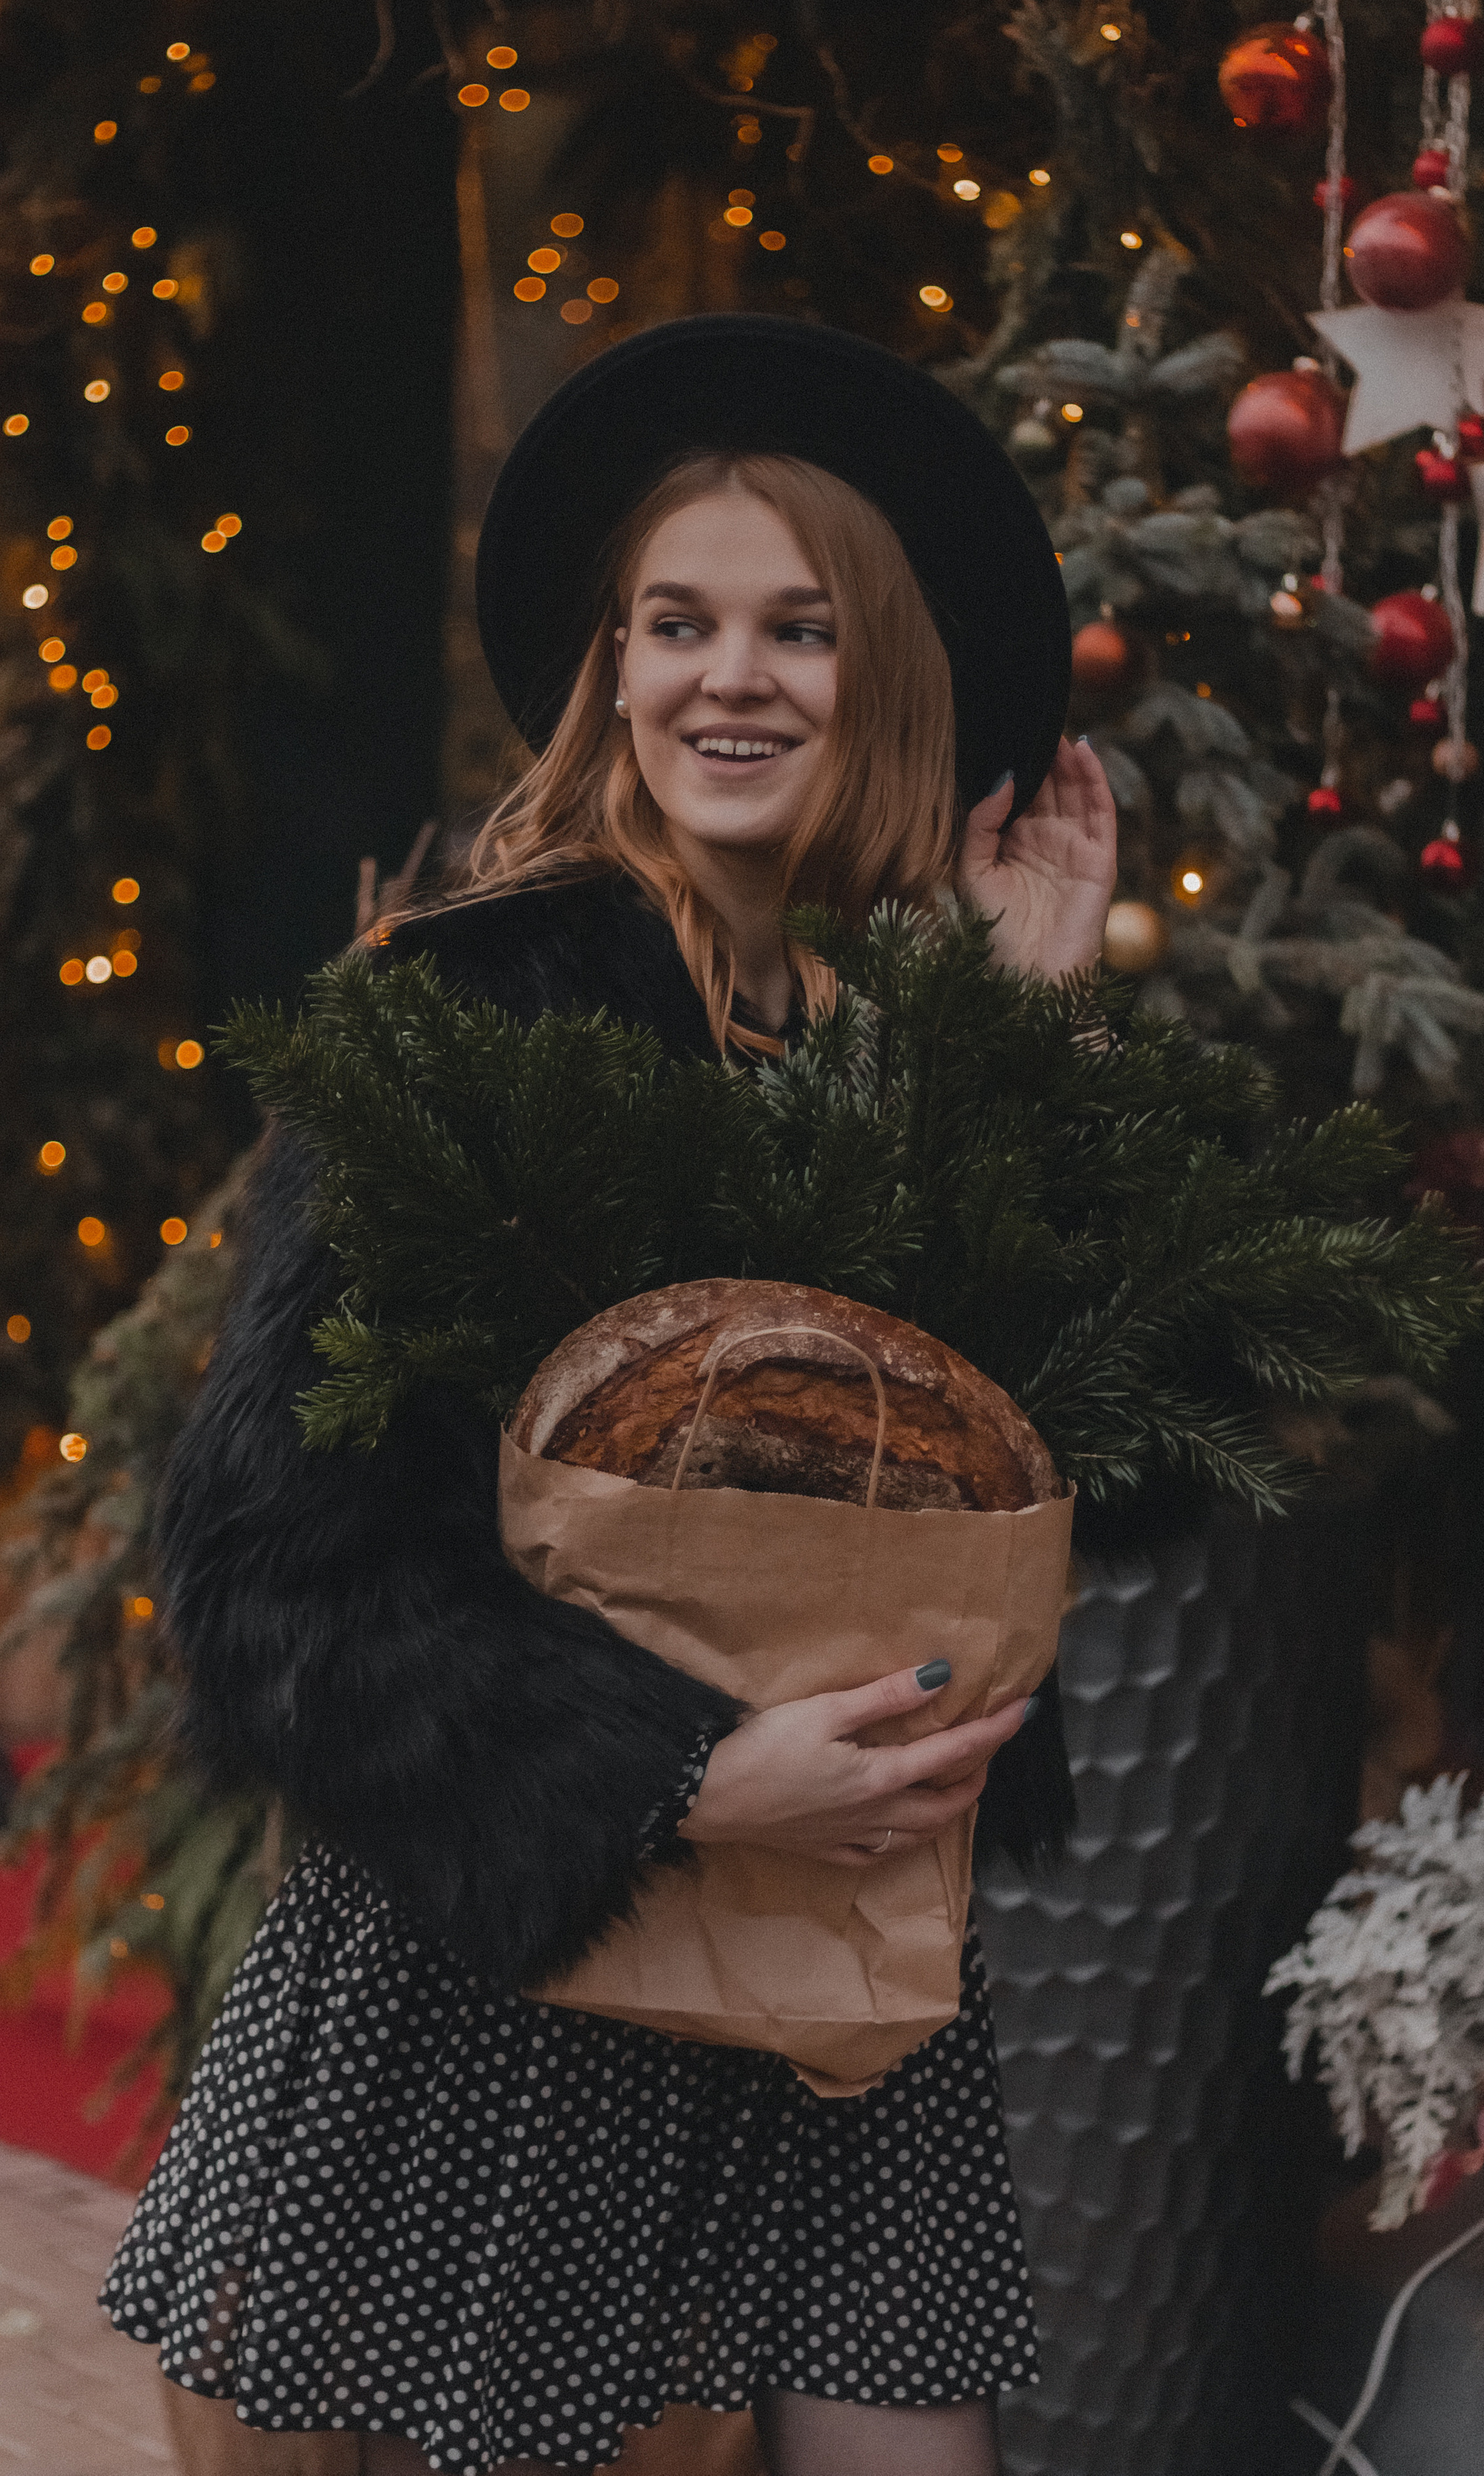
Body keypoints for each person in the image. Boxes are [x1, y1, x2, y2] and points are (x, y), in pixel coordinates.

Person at [103, 317, 1118, 2476]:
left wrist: (1006, 1061)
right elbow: (268, 1575)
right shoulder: (463, 1022)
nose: (729, 678)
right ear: (615, 669)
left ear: (889, 677)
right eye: (678, 622)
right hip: (518, 1962)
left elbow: (1065, 1479)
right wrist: (680, 1776)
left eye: (799, 628)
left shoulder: (914, 1033)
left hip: (841, 1967)